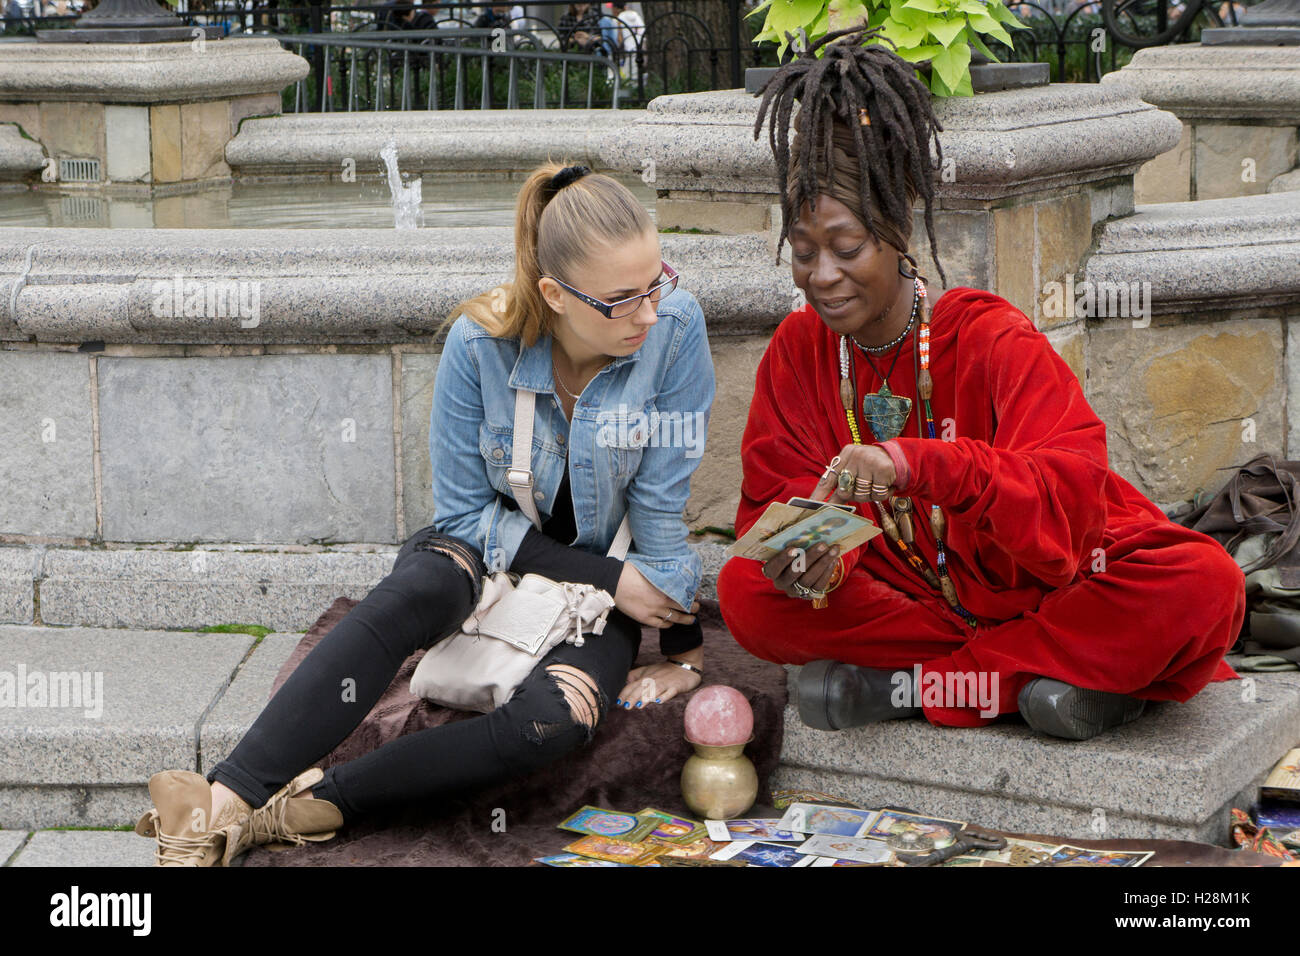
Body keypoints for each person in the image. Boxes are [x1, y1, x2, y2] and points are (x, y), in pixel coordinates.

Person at [134, 162, 716, 866]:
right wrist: (600, 572)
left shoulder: (676, 332)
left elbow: (659, 502)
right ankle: (221, 801)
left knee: (557, 722)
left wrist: (680, 644)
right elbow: (466, 515)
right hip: (487, 555)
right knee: (421, 586)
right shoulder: (478, 344)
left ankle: (311, 807)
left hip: (601, 596)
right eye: (623, 299)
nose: (649, 312)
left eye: (658, 282)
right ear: (555, 295)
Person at [715, 25, 1246, 741]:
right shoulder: (798, 348)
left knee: (1204, 586)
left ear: (899, 225)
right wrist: (806, 561)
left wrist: (917, 464)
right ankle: (1049, 679)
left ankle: (919, 688)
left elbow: (1070, 495)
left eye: (846, 248)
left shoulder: (990, 334)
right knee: (745, 593)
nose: (822, 276)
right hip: (916, 599)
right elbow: (770, 508)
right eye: (803, 253)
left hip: (1054, 586)